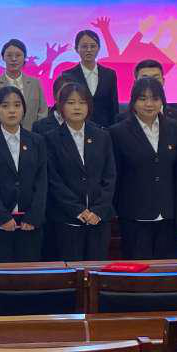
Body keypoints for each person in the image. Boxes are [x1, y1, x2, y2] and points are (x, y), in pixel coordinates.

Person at [110, 76, 177, 260]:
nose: (149, 104)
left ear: (162, 101)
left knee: (168, 271)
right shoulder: (118, 132)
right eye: (142, 99)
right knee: (138, 270)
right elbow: (115, 175)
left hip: (168, 214)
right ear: (133, 102)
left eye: (155, 98)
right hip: (134, 215)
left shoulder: (174, 128)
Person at [46, 79, 116, 260]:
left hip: (99, 219)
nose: (77, 107)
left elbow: (110, 176)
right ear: (61, 107)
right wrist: (77, 210)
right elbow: (54, 180)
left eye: (82, 102)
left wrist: (98, 210)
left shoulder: (102, 136)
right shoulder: (51, 139)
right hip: (67, 219)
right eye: (71, 102)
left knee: (96, 269)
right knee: (72, 270)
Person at [0, 85, 47, 261]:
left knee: (29, 273)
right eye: (5, 106)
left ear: (24, 109)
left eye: (17, 105)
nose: (12, 110)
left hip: (29, 224)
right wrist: (2, 217)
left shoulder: (37, 141)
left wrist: (34, 216)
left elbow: (42, 182)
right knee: (0, 275)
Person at [0, 39, 48, 130]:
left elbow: (43, 112)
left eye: (18, 55)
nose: (13, 59)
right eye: (9, 55)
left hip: (33, 134)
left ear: (25, 57)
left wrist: (36, 133)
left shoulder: (35, 83)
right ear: (3, 57)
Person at [67, 29, 119, 129]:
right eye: (84, 46)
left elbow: (113, 107)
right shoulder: (68, 75)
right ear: (76, 49)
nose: (89, 50)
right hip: (77, 128)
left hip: (104, 129)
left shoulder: (109, 74)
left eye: (93, 46)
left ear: (98, 48)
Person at [120, 59, 177, 135]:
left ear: (163, 81)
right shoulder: (121, 119)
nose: (150, 82)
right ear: (135, 82)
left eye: (155, 78)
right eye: (144, 78)